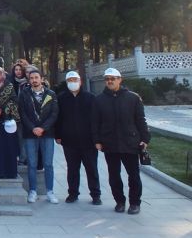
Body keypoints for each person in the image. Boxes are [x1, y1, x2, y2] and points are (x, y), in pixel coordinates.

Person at [93, 68, 150, 215]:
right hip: (110, 143)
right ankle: (119, 201)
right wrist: (97, 140)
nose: (110, 81)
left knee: (134, 175)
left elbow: (140, 120)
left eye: (113, 78)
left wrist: (145, 138)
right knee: (114, 175)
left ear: (120, 79)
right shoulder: (99, 100)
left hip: (130, 142)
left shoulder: (133, 98)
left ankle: (135, 203)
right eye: (107, 79)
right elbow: (95, 123)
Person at [56, 71, 101, 205]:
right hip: (69, 141)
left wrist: (97, 139)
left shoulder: (90, 98)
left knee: (92, 169)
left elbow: (96, 119)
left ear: (80, 81)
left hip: (88, 141)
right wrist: (58, 135)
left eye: (75, 80)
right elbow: (58, 119)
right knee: (72, 169)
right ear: (67, 82)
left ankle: (96, 195)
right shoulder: (61, 98)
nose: (73, 82)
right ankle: (73, 193)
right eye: (70, 80)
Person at [19, 69, 60, 204]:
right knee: (32, 163)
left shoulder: (51, 94)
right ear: (29, 80)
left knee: (48, 163)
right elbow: (23, 113)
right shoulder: (24, 94)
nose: (34, 80)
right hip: (30, 134)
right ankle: (33, 191)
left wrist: (43, 128)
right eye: (31, 78)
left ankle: (50, 191)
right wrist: (33, 128)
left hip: (47, 133)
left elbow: (54, 114)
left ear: (42, 79)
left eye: (36, 77)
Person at [10, 63, 28, 165]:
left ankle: (23, 158)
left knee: (22, 137)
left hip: (25, 114)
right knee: (16, 137)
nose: (18, 72)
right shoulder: (11, 83)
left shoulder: (27, 83)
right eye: (16, 70)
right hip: (14, 113)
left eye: (20, 70)